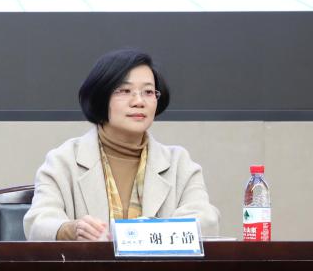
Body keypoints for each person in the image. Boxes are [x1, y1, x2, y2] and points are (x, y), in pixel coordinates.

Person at [24, 48, 219, 241]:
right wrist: (71, 229)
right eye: (125, 91)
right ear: (101, 97)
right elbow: (38, 223)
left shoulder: (179, 163)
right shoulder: (63, 161)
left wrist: (146, 235)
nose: (139, 101)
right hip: (87, 263)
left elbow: (207, 221)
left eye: (148, 92)